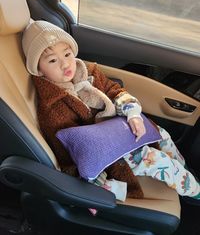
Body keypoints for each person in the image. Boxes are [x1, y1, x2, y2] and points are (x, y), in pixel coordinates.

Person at [22, 20, 200, 201]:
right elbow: (67, 152)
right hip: (109, 154)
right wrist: (99, 183)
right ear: (39, 69)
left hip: (121, 128)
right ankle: (195, 191)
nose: (65, 64)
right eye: (52, 60)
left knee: (162, 134)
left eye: (67, 54)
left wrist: (132, 114)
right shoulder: (51, 108)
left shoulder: (89, 72)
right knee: (157, 160)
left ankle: (184, 171)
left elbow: (115, 90)